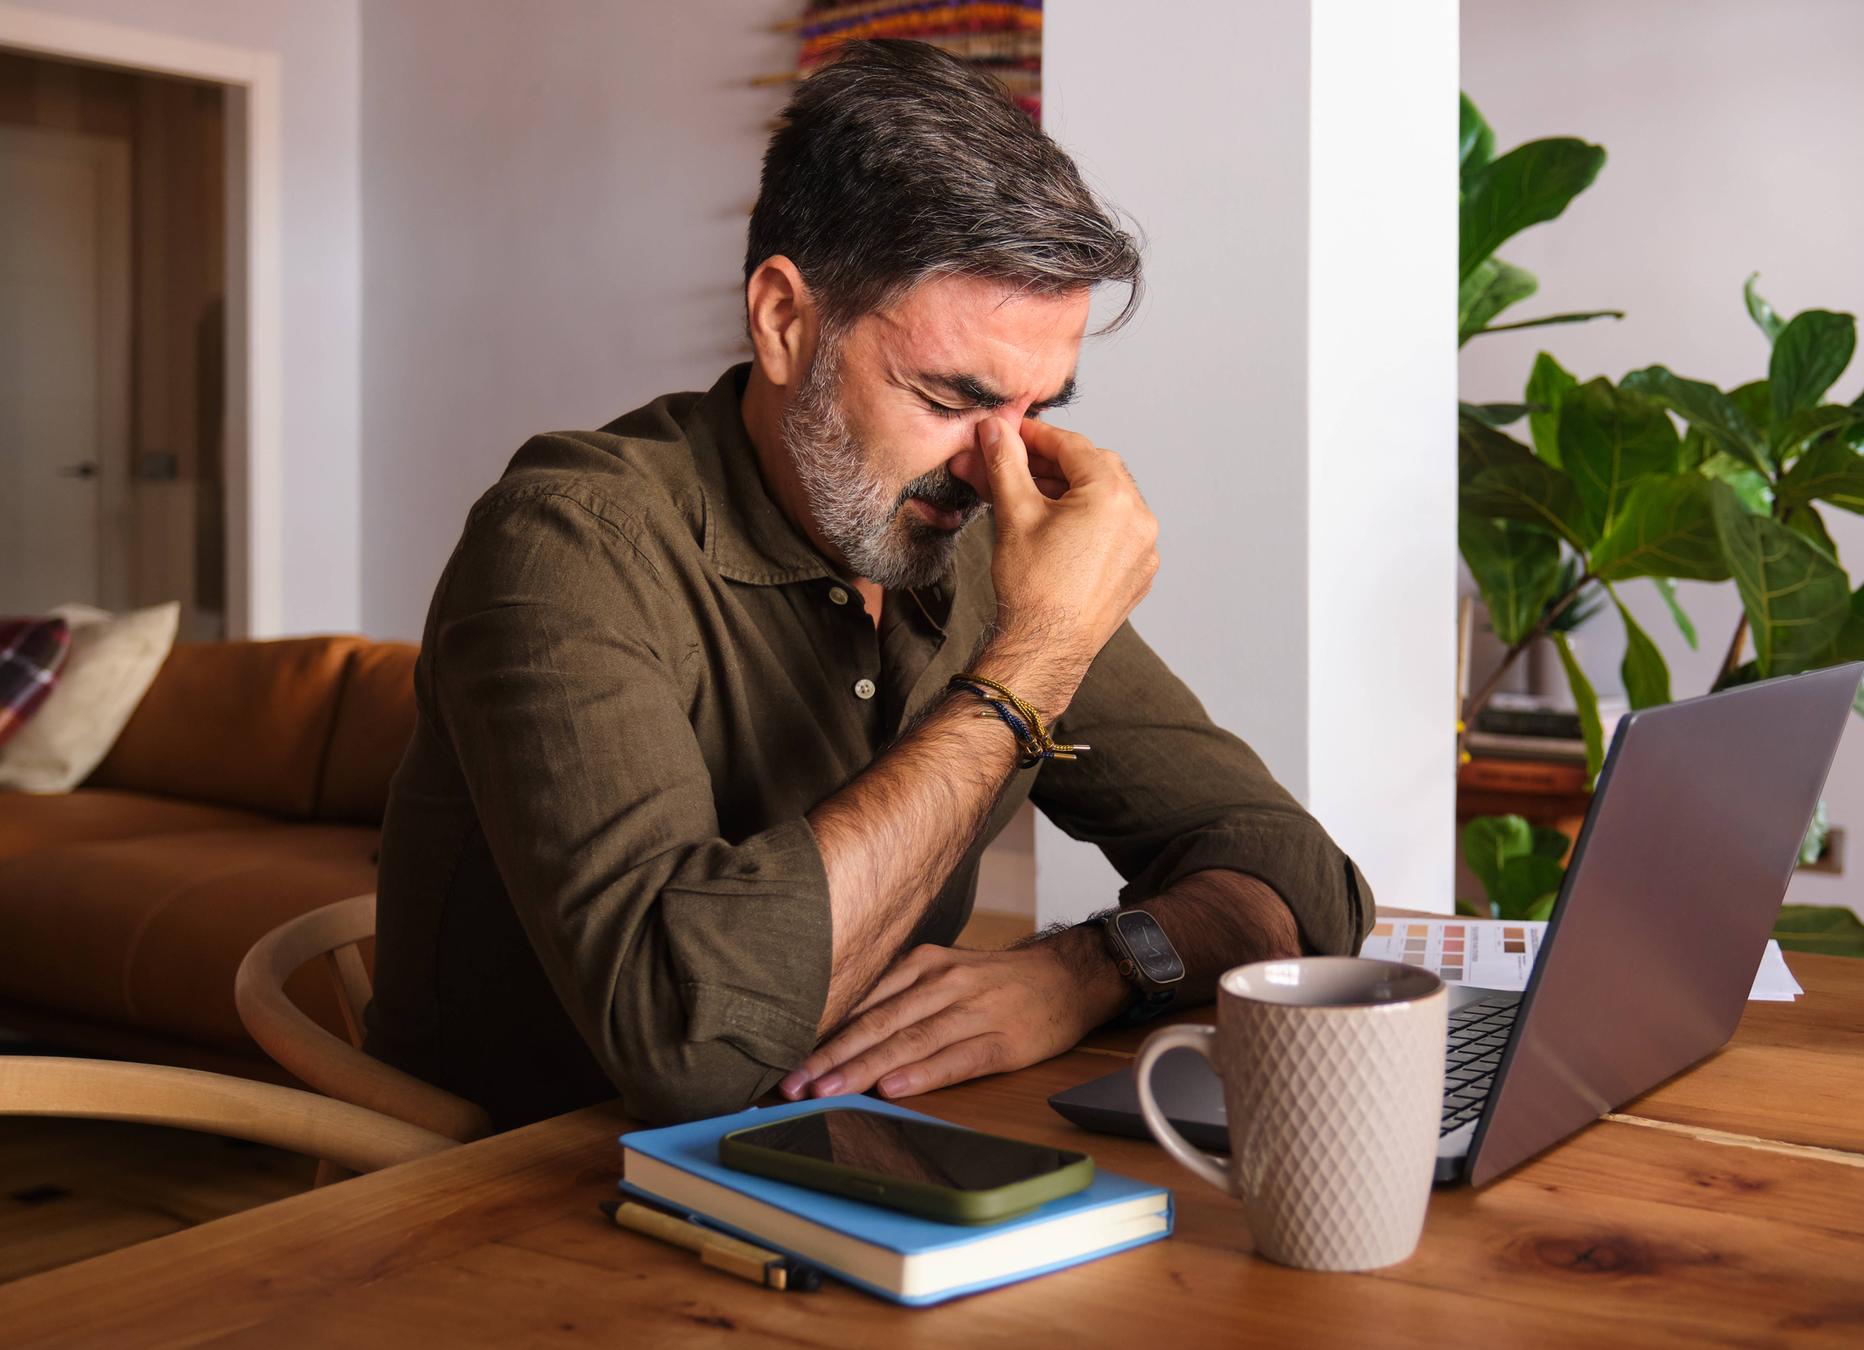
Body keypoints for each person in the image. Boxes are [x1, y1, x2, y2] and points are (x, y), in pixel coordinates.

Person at [363, 39, 1371, 1130]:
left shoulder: (982, 546)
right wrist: (1031, 665)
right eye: (949, 397)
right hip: (520, 1198)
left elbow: (1303, 882)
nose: (999, 466)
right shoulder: (567, 541)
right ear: (785, 321)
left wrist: (1084, 974)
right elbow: (691, 1049)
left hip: (844, 1159)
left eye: (1039, 408)